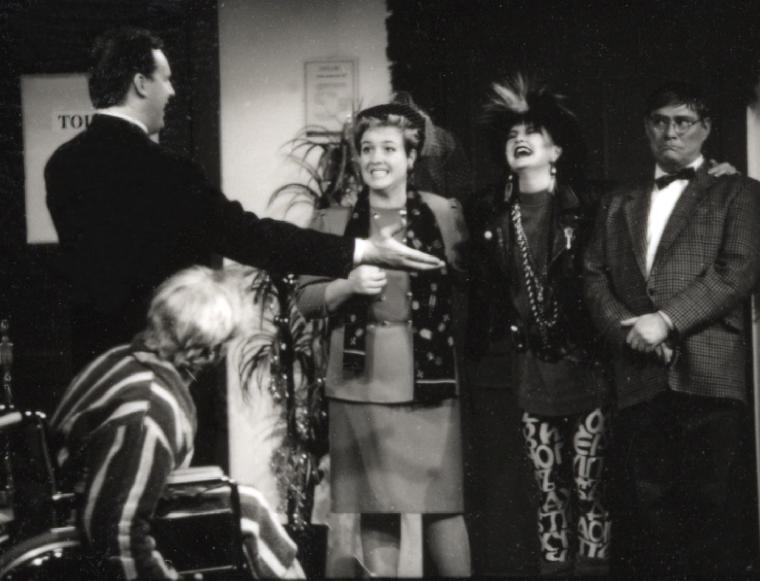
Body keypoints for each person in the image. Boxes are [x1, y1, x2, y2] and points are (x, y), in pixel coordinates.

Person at [45, 27, 443, 372]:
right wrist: (363, 250)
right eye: (165, 79)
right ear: (140, 84)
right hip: (160, 359)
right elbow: (252, 238)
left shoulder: (61, 165)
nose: (172, 91)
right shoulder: (169, 172)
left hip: (91, 362)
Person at [583, 81, 760, 577]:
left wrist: (665, 322)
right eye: (660, 121)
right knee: (647, 516)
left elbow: (737, 271)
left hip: (708, 375)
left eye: (683, 121)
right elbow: (593, 275)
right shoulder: (618, 201)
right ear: (647, 128)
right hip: (638, 375)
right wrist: (630, 331)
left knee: (712, 513)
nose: (671, 132)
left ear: (705, 128)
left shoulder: (738, 190)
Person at [295, 103, 471, 577]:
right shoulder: (333, 221)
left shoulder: (444, 214)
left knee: (442, 503)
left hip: (429, 381)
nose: (377, 158)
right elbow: (306, 300)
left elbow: (472, 287)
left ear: (411, 158)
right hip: (359, 383)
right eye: (368, 148)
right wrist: (347, 286)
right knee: (376, 506)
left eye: (389, 149)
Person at [49, 265, 305, 579]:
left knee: (248, 505)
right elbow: (118, 534)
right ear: (209, 351)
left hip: (90, 498)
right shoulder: (148, 413)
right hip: (94, 526)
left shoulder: (122, 360)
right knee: (247, 515)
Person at [467, 76, 610, 577]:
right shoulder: (489, 214)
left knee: (591, 484)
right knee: (546, 487)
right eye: (512, 135)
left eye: (532, 132)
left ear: (556, 151)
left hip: (584, 364)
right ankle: (554, 568)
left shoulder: (589, 207)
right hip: (530, 369)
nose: (519, 139)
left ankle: (593, 569)